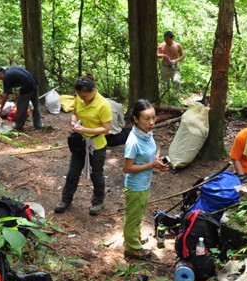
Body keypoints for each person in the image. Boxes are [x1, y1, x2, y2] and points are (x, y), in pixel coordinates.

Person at [54, 77, 112, 216]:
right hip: (80, 143)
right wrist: (74, 122)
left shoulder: (103, 105)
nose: (83, 99)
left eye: (85, 96)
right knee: (73, 173)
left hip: (96, 145)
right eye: (80, 96)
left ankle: (98, 202)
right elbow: (75, 113)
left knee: (96, 174)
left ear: (93, 91)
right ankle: (65, 200)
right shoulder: (79, 99)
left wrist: (86, 130)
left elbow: (106, 129)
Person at [122, 99, 169, 260]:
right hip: (136, 186)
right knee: (133, 217)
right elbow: (127, 168)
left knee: (138, 214)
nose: (151, 122)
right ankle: (132, 248)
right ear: (135, 119)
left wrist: (158, 162)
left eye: (153, 117)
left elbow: (149, 156)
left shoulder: (146, 133)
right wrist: (151, 165)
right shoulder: (133, 142)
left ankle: (133, 237)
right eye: (146, 118)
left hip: (144, 183)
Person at [0, 66, 42, 132]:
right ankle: (38, 125)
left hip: (27, 86)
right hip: (34, 82)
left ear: (1, 73)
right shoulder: (11, 70)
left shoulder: (6, 77)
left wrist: (1, 108)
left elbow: (6, 94)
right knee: (36, 105)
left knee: (21, 107)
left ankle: (19, 127)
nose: (1, 79)